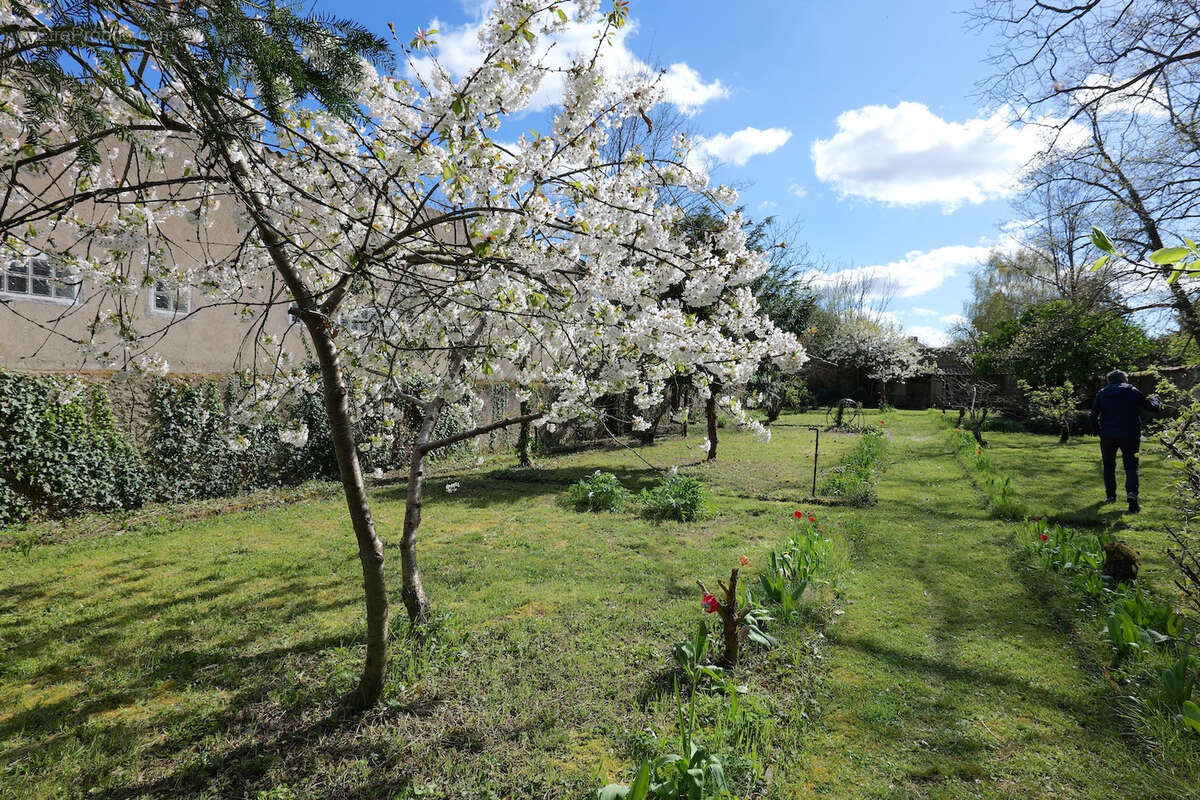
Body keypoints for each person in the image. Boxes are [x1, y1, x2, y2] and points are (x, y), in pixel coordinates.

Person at [1089, 370, 1161, 513]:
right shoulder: (1132, 391)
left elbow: (1093, 415)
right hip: (1130, 434)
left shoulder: (1102, 393)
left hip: (1108, 435)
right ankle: (1132, 494)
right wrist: (1156, 400)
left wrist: (1099, 432)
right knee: (1131, 466)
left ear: (1109, 380)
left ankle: (1110, 496)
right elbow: (1152, 407)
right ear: (1124, 379)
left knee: (1108, 466)